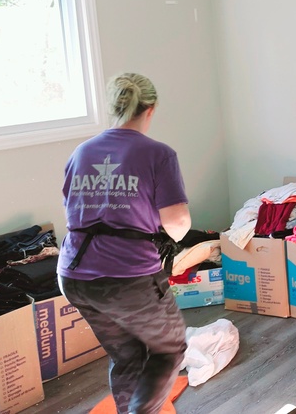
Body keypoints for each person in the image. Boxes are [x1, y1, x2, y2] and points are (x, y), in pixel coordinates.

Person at [57, 73, 192, 414]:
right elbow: (177, 223)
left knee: (127, 353)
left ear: (112, 107)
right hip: (126, 277)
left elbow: (76, 210)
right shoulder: (158, 154)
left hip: (74, 276)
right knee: (169, 348)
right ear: (151, 109)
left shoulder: (81, 152)